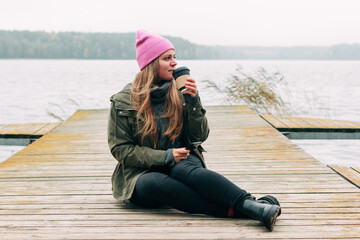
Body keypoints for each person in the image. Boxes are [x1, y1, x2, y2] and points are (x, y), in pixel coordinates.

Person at [108, 30, 281, 231]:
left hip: (182, 158)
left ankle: (249, 204)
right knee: (152, 182)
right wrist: (164, 157)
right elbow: (121, 149)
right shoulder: (123, 101)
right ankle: (251, 208)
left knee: (187, 170)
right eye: (167, 58)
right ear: (151, 63)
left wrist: (193, 102)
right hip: (139, 172)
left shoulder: (180, 92)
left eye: (174, 57)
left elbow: (199, 137)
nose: (174, 63)